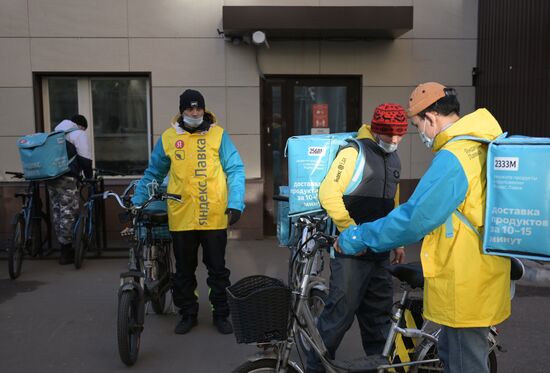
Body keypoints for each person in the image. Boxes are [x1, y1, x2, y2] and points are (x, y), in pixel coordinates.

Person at [336, 82, 511, 373]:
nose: (420, 133)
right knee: (457, 358)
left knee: (463, 364)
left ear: (430, 118)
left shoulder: (454, 157)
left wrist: (358, 237)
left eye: (417, 125)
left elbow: (414, 218)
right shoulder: (481, 146)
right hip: (481, 275)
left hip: (463, 281)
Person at [131, 89, 245, 335]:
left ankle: (221, 314)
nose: (194, 113)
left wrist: (236, 203)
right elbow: (154, 173)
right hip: (181, 216)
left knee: (217, 270)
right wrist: (137, 202)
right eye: (189, 109)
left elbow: (235, 169)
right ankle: (188, 313)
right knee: (183, 271)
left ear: (204, 109)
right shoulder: (169, 138)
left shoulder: (219, 135)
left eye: (198, 108)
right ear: (181, 111)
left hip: (213, 214)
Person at [306, 103, 407, 373]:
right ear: (375, 130)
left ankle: (380, 368)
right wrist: (350, 231)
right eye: (390, 135)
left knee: (379, 320)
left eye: (400, 135)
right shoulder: (354, 152)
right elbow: (328, 192)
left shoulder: (393, 157)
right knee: (337, 317)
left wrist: (396, 240)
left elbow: (392, 203)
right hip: (351, 254)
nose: (395, 141)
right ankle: (314, 367)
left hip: (380, 254)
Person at [47, 114, 93, 265]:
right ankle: (66, 252)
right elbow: (85, 158)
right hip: (68, 178)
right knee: (69, 212)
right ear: (81, 126)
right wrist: (89, 177)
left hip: (52, 178)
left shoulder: (56, 132)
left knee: (58, 211)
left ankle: (62, 246)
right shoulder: (78, 134)